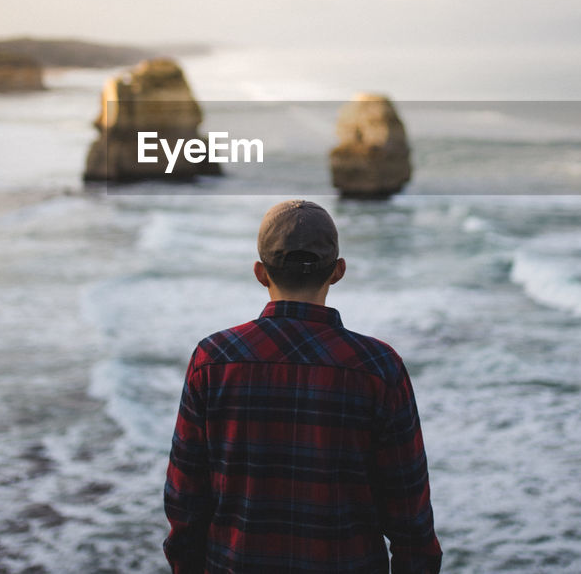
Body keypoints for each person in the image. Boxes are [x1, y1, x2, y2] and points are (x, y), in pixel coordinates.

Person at [164, 199, 443, 573]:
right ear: (338, 271)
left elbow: (185, 504)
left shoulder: (212, 360)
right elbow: (411, 519)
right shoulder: (378, 368)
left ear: (261, 273)